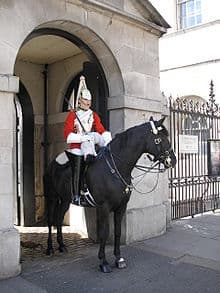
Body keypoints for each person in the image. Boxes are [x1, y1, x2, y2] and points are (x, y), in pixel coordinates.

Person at [64, 77, 112, 206]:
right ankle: (76, 195)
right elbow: (68, 136)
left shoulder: (93, 115)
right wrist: (81, 138)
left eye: (89, 100)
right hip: (77, 146)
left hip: (90, 143)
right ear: (79, 100)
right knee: (78, 167)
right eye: (85, 100)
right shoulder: (72, 116)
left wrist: (107, 139)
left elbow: (101, 130)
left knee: (94, 137)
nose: (88, 102)